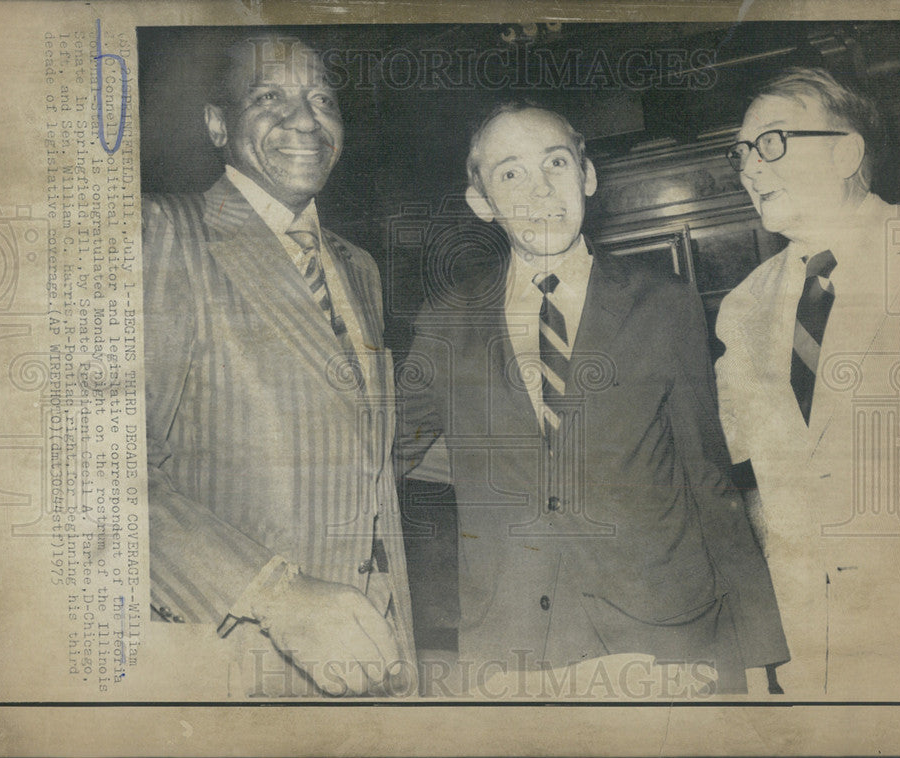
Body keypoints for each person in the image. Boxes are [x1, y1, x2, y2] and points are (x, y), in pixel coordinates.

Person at [394, 102, 788, 694]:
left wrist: (757, 649)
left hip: (665, 637)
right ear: (482, 202)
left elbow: (707, 478)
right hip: (514, 646)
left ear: (588, 176)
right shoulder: (447, 321)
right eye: (510, 173)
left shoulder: (663, 301)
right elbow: (383, 453)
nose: (539, 188)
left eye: (556, 162)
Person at [142, 34, 416, 697]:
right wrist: (275, 595)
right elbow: (102, 473)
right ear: (217, 124)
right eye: (269, 98)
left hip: (379, 661)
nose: (305, 119)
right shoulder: (165, 234)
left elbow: (363, 460)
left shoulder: (360, 267)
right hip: (249, 669)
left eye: (322, 98)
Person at [715, 67, 900, 697]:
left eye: (771, 141)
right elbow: (743, 479)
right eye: (741, 151)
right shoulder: (743, 306)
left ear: (847, 151)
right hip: (808, 657)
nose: (749, 167)